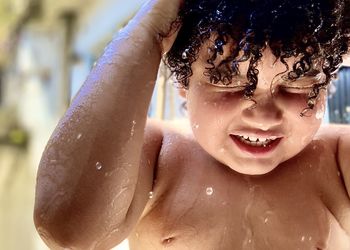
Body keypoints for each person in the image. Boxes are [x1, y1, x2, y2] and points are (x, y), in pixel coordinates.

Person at [34, 0, 350, 249]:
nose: (263, 116)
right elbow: (70, 231)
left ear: (325, 86)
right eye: (228, 82)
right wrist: (149, 31)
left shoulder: (337, 159)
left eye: (296, 86)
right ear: (184, 83)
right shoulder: (156, 154)